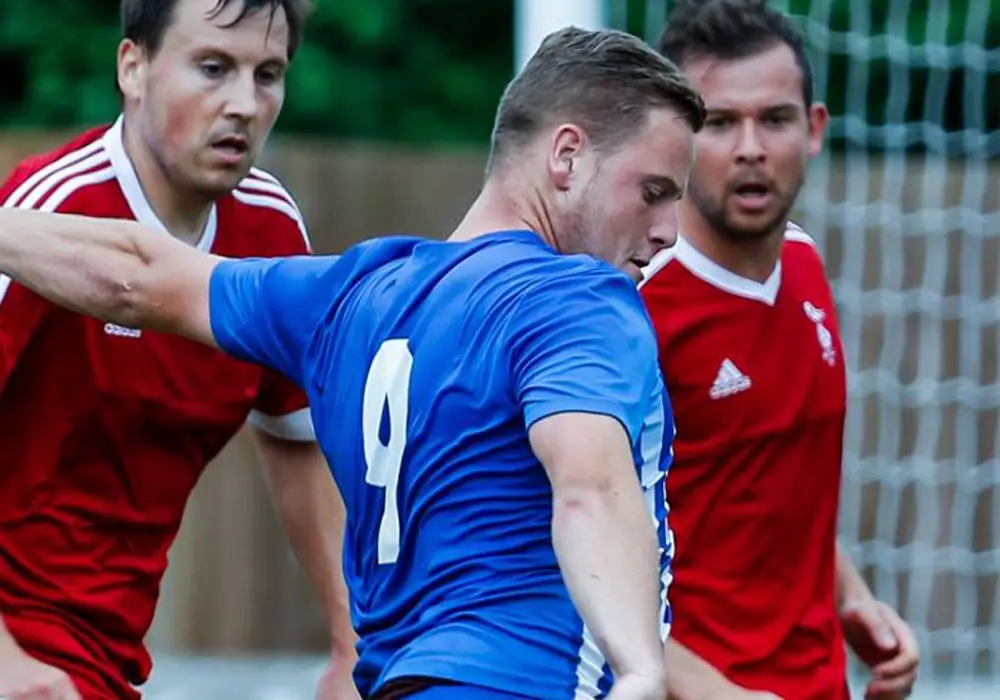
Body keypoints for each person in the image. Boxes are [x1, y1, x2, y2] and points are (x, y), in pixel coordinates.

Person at [0, 25, 704, 700]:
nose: (668, 232)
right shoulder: (577, 298)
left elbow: (137, 273)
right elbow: (588, 485)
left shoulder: (353, 293)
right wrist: (639, 665)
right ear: (567, 156)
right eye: (653, 192)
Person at [0, 1, 357, 699]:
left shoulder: (271, 234)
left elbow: (295, 434)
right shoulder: (43, 220)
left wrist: (352, 648)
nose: (245, 104)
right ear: (132, 68)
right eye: (214, 68)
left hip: (104, 657)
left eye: (269, 74)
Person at [639, 2, 920, 699]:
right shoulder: (632, 311)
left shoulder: (803, 264)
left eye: (774, 119)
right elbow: (564, 553)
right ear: (672, 137)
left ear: (814, 128)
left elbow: (777, 497)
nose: (751, 148)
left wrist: (854, 599)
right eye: (719, 121)